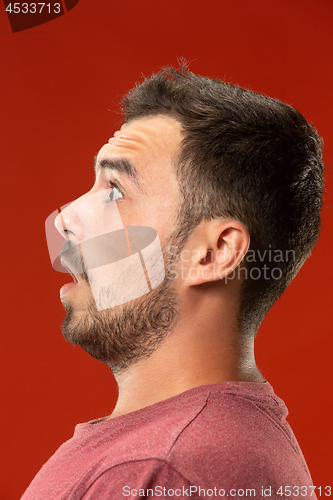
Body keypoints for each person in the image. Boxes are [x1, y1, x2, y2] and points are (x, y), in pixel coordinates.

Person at [22, 64, 324, 499]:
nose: (67, 217)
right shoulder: (198, 451)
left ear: (214, 253)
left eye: (115, 190)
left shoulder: (161, 471)